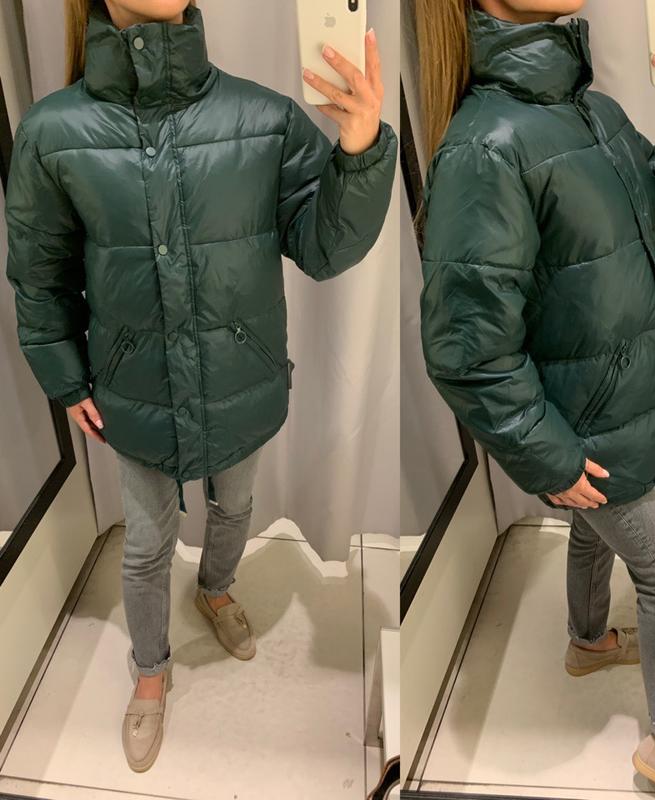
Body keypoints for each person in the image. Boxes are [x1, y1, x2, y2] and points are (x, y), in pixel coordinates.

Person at [4, 0, 396, 773]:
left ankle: (216, 589)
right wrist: (64, 373)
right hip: (134, 386)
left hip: (240, 376)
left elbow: (323, 248)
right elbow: (40, 274)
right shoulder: (54, 132)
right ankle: (151, 668)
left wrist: (358, 153)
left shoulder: (263, 119)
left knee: (236, 506)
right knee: (147, 541)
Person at [415, 1, 655, 798]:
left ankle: (586, 640)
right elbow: (466, 352)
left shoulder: (593, 112)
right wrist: (550, 457)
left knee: (593, 531)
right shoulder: (487, 147)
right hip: (580, 422)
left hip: (613, 404)